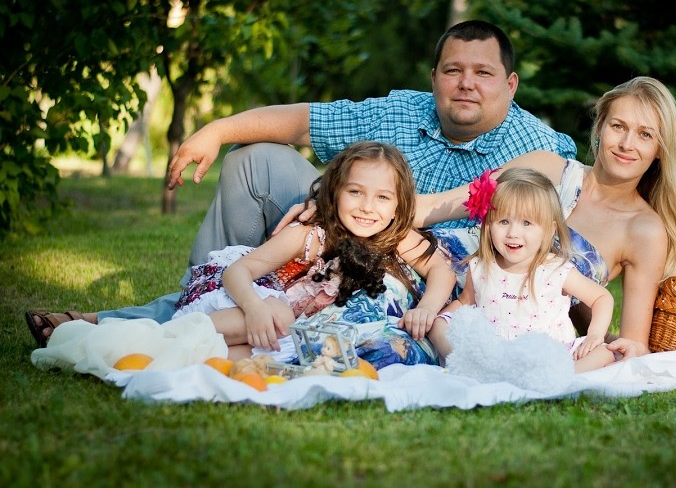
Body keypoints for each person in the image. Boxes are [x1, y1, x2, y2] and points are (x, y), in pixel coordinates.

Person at [25, 19, 576, 347]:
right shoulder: (403, 110)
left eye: (483, 73)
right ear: (434, 77)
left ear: (510, 84)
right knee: (255, 158)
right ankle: (207, 300)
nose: (466, 84)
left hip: (405, 277)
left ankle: (125, 324)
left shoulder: (537, 143)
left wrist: (348, 207)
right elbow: (304, 121)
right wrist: (217, 130)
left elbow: (544, 199)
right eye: (453, 70)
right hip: (339, 234)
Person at [416, 76, 676, 359]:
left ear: (660, 149)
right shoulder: (547, 167)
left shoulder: (644, 230)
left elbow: (632, 343)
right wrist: (389, 211)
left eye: (645, 135)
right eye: (618, 126)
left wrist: (594, 343)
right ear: (600, 128)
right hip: (432, 277)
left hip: (499, 331)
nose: (627, 144)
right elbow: (438, 205)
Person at [166, 141, 457, 367]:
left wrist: (427, 308)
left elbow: (441, 270)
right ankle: (168, 336)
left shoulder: (395, 237)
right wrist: (254, 307)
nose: (367, 207)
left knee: (257, 359)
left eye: (382, 197)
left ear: (397, 206)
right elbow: (237, 272)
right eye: (355, 192)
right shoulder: (311, 235)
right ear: (334, 192)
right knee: (279, 318)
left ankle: (174, 354)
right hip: (246, 297)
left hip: (287, 334)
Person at [427, 168, 616, 372]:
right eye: (504, 221)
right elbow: (465, 301)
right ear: (488, 225)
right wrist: (438, 320)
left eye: (527, 223)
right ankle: (468, 365)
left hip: (550, 355)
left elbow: (601, 298)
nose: (513, 233)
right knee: (438, 326)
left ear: (549, 230)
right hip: (496, 354)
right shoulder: (481, 268)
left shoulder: (555, 270)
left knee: (604, 353)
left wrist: (595, 334)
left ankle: (563, 377)